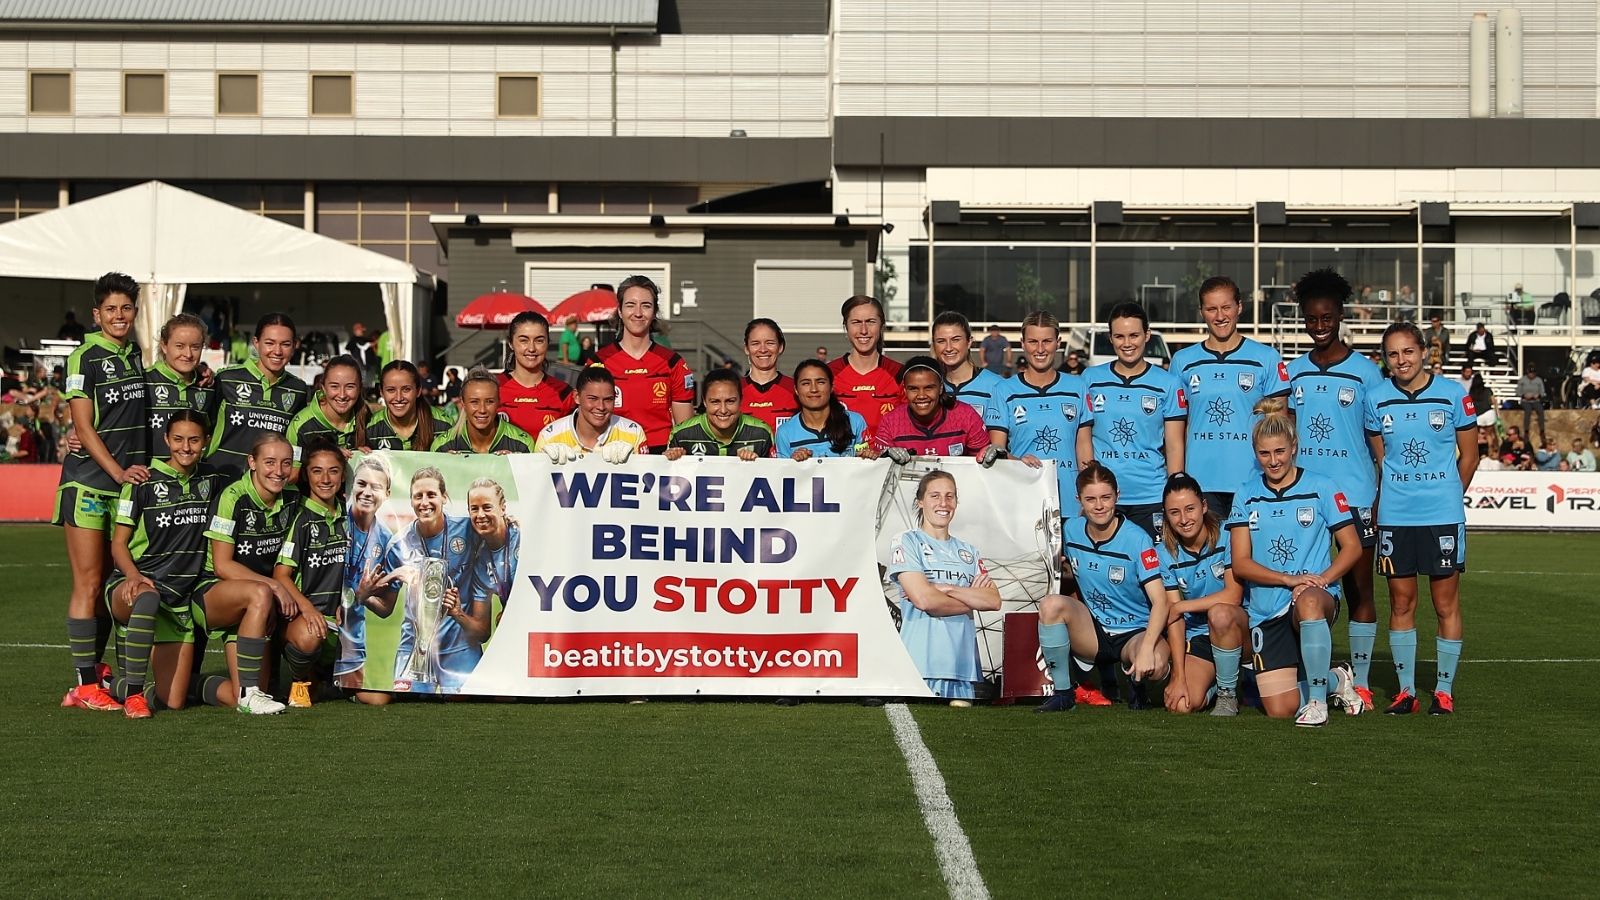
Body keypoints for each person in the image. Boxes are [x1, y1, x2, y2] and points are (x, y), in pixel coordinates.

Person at [1366, 321, 1480, 716]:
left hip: (1441, 515)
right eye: (1393, 354)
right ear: (1386, 358)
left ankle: (1444, 692)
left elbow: (1470, 455)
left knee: (1445, 603)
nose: (1401, 360)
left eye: (1408, 352)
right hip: (1396, 516)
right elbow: (1382, 458)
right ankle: (1406, 691)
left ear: (1425, 352)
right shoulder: (1376, 398)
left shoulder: (1452, 395)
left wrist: (1448, 493)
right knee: (1401, 603)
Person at [1229, 398, 1365, 726]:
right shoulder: (1246, 493)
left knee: (1308, 601)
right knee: (1279, 708)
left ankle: (1317, 704)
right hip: (1266, 607)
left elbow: (1351, 547)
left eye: (1279, 452)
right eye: (1264, 453)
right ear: (1255, 452)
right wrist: (1289, 580)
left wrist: (1321, 578)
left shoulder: (1322, 487)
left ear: (1294, 447)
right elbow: (1241, 563)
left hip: (1315, 596)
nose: (1273, 461)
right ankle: (1336, 680)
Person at [1285, 268, 1386, 707]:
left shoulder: (1367, 373)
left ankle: (1359, 679)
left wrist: (1384, 497)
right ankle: (1312, 671)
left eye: (1327, 318)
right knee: (1303, 584)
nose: (1319, 326)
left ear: (1340, 315)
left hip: (1358, 495)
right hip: (1306, 496)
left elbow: (1381, 444)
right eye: (1311, 319)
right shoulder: (1293, 372)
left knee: (1359, 588)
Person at [57, 273, 150, 713]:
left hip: (123, 486)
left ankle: (93, 672)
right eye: (110, 309)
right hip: (91, 484)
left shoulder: (135, 355)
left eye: (126, 308)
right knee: (89, 583)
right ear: (97, 314)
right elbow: (83, 427)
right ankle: (84, 685)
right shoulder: (83, 357)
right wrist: (117, 473)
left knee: (112, 585)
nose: (119, 316)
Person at [104, 410, 219, 716]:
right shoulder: (141, 481)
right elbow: (117, 544)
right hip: (134, 585)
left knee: (173, 702)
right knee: (148, 596)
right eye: (178, 439)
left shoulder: (212, 480)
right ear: (166, 439)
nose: (186, 447)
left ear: (206, 442)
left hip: (178, 600)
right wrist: (133, 576)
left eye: (194, 440)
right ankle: (133, 695)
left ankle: (111, 686)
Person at [1034, 462, 1172, 713]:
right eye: (1091, 499)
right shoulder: (1070, 531)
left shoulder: (1137, 538)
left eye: (1106, 497)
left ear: (1118, 496)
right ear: (1079, 500)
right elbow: (1070, 576)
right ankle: (1064, 693)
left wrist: (1147, 649)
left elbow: (1161, 602)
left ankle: (1136, 683)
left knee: (1157, 663)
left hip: (1134, 632)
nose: (1099, 506)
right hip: (1094, 632)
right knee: (1050, 605)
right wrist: (1064, 572)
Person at [193, 433, 299, 714]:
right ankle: (249, 693)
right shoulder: (232, 498)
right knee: (260, 592)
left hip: (256, 605)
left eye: (286, 463)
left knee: (244, 693)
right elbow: (222, 566)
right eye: (270, 462)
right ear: (252, 462)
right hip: (214, 594)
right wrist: (275, 587)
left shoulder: (292, 499)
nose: (278, 471)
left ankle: (192, 686)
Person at [1169, 275, 1289, 518]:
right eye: (1211, 309)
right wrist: (1178, 478)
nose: (1220, 316)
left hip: (1252, 480)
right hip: (1200, 483)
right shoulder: (1183, 361)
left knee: (1250, 555)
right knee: (1210, 556)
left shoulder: (1266, 358)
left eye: (1226, 307)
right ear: (1201, 311)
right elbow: (1176, 429)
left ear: (1239, 307)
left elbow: (1280, 426)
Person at [884, 470, 1002, 706]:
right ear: (920, 501)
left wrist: (946, 588)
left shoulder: (969, 551)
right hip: (920, 667)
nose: (943, 503)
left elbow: (993, 601)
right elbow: (925, 601)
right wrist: (971, 600)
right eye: (935, 496)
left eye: (950, 496)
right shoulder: (907, 541)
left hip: (963, 671)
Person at [374, 467, 490, 693]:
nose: (424, 502)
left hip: (460, 646)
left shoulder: (468, 530)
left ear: (444, 497)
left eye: (431, 495)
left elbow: (501, 539)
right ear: (411, 500)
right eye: (418, 496)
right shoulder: (399, 544)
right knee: (407, 704)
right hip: (415, 644)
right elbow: (384, 606)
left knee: (468, 706)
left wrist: (511, 524)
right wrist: (377, 585)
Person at [1082, 302, 1186, 540]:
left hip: (1150, 496)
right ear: (1110, 338)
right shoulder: (1091, 379)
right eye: (1119, 336)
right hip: (1104, 498)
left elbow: (1174, 444)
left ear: (1147, 335)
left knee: (1153, 572)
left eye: (1134, 335)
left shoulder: (1167, 383)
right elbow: (1084, 438)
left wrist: (1174, 493)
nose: (1127, 343)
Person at [984, 310, 1093, 517]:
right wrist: (1018, 461)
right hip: (1024, 499)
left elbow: (1084, 446)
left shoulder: (1077, 387)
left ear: (1058, 342)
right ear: (1022, 343)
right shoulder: (1004, 390)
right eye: (1033, 342)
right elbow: (997, 451)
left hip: (1071, 503)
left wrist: (1088, 494)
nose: (1040, 349)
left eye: (1047, 341)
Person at [1156, 473, 1247, 716]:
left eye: (1190, 509)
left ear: (1204, 506)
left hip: (1241, 629)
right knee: (1181, 705)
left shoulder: (1228, 534)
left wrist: (1182, 607)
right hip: (1201, 635)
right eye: (1174, 512)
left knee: (1220, 614)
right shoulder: (1164, 554)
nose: (1184, 519)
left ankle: (1230, 693)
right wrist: (1179, 676)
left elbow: (1233, 596)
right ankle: (1220, 684)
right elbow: (1174, 619)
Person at [273, 438, 350, 708]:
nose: (325, 479)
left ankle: (330, 680)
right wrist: (308, 609)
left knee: (375, 698)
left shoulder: (352, 516)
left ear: (343, 474)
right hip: (310, 619)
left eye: (333, 470)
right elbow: (281, 574)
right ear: (306, 474)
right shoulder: (301, 518)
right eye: (317, 471)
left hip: (344, 620)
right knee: (309, 637)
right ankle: (301, 681)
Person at [596, 275, 695, 452]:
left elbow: (685, 431)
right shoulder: (599, 362)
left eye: (646, 305)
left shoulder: (673, 363)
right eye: (630, 305)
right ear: (619, 310)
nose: (638, 313)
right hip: (612, 455)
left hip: (661, 458)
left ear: (654, 311)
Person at [206, 313, 310, 481]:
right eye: (269, 343)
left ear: (294, 346)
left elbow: (296, 438)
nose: (277, 351)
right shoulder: (226, 380)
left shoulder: (298, 389)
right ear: (256, 343)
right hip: (223, 478)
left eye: (285, 344)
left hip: (269, 486)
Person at [337, 454, 398, 704]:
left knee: (378, 700)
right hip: (323, 622)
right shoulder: (335, 520)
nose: (367, 492)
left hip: (352, 636)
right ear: (351, 486)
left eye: (376, 486)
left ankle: (336, 690)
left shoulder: (387, 540)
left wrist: (365, 596)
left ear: (387, 493)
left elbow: (386, 610)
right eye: (362, 483)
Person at [871, 356, 990, 459]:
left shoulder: (966, 416)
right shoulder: (890, 422)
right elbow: (880, 470)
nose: (921, 395)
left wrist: (989, 453)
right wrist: (885, 457)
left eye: (929, 388)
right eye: (913, 389)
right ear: (905, 390)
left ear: (941, 388)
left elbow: (982, 460)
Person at [536, 367, 648, 464]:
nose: (601, 407)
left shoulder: (634, 433)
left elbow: (647, 482)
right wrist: (546, 464)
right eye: (593, 399)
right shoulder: (549, 437)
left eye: (608, 399)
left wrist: (629, 465)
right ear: (576, 397)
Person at [828, 295, 903, 440]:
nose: (863, 330)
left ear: (882, 326)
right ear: (846, 327)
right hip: (842, 459)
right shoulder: (829, 373)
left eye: (870, 322)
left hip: (888, 459)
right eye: (856, 322)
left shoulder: (899, 373)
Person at [665, 369, 775, 460]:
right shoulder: (681, 434)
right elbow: (667, 478)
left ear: (741, 400)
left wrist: (756, 466)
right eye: (715, 402)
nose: (723, 410)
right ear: (704, 401)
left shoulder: (762, 434)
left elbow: (775, 477)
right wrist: (670, 459)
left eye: (730, 401)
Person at [285, 355, 368, 475]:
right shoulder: (301, 425)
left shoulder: (368, 419)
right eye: (334, 386)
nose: (342, 394)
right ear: (323, 387)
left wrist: (366, 457)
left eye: (350, 387)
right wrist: (327, 456)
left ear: (360, 388)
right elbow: (292, 477)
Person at [775, 360, 873, 460]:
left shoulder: (855, 422)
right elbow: (782, 472)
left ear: (831, 387)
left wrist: (866, 457)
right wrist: (793, 463)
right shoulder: (785, 433)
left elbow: (868, 463)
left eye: (820, 382)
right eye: (806, 383)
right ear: (796, 389)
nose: (813, 389)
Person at [498, 311, 575, 436]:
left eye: (539, 341)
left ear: (547, 343)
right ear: (511, 343)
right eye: (524, 340)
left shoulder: (564, 393)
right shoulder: (493, 387)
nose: (532, 348)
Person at [432, 366, 536, 454]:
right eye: (474, 402)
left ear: (499, 403)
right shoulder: (442, 446)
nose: (482, 410)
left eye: (489, 401)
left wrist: (515, 465)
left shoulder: (522, 444)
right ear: (463, 403)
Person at [465, 478, 519, 628]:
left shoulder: (523, 537)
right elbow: (482, 630)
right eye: (474, 508)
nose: (480, 515)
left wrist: (512, 613)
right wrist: (457, 612)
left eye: (487, 507)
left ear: (503, 508)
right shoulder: (480, 562)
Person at [365, 361, 452, 452]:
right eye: (391, 390)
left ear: (418, 391)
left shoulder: (444, 425)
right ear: (381, 392)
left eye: (406, 389)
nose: (399, 398)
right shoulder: (370, 429)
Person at [933, 312, 1006, 417]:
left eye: (956, 340)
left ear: (969, 342)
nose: (948, 348)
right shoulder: (929, 388)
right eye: (941, 341)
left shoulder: (996, 386)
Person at [739, 318, 798, 433]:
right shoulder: (734, 389)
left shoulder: (796, 389)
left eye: (770, 343)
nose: (763, 350)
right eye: (755, 343)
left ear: (780, 347)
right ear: (746, 348)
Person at [1469, 373, 1498, 459]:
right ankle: (1490, 452)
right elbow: (1494, 402)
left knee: (1476, 436)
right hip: (1488, 414)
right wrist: (1497, 414)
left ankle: (1476, 454)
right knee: (1489, 435)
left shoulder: (1471, 392)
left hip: (1477, 416)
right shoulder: (1488, 390)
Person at [1517, 365, 1547, 443]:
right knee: (1528, 411)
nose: (1532, 375)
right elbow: (1518, 392)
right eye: (1530, 373)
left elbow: (1542, 392)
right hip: (1525, 401)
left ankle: (1542, 431)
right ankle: (1526, 432)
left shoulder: (1539, 380)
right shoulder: (1522, 380)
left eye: (1533, 373)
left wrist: (1538, 395)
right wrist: (1524, 395)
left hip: (1536, 400)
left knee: (1540, 411)